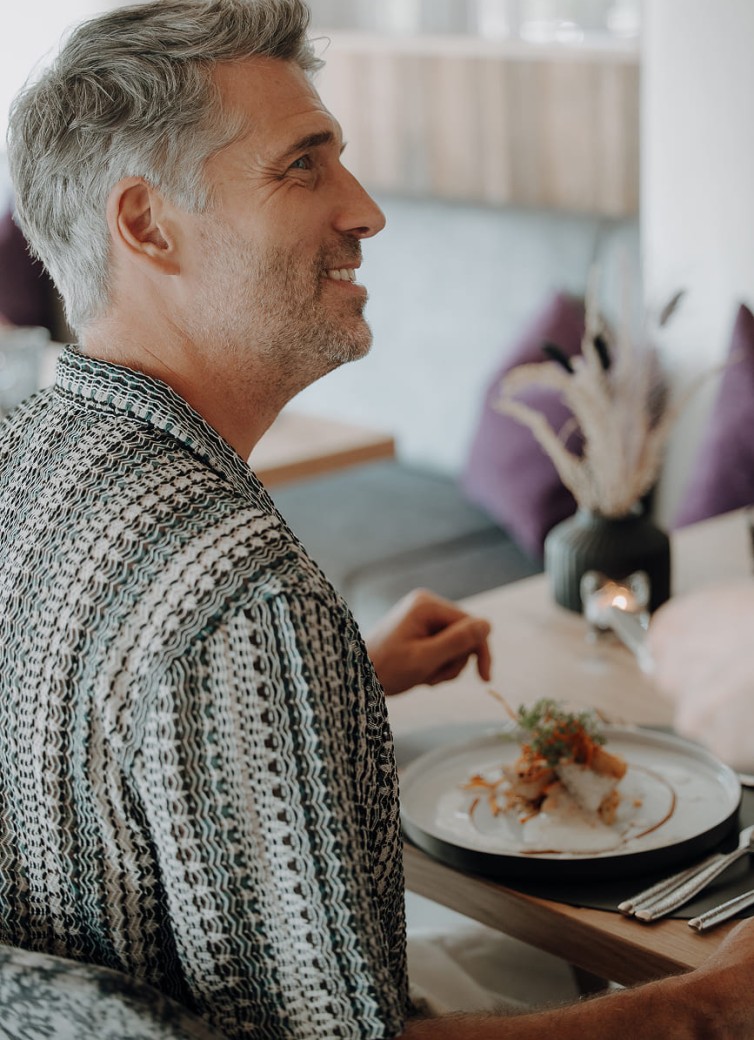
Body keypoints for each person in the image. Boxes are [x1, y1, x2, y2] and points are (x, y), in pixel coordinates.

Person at [4, 1, 754, 1037]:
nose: (365, 209)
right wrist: (709, 1005)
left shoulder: (26, 456)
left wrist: (340, 674)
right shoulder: (246, 603)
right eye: (302, 165)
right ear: (145, 224)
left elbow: (98, 742)